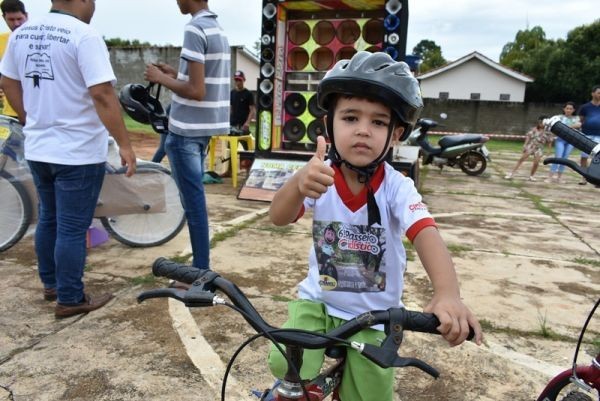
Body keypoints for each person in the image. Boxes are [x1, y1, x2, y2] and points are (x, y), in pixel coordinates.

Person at [267, 51, 482, 401]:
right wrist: (297, 184)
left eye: (379, 123)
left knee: (369, 396)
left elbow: (426, 234)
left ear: (396, 134)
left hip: (374, 316)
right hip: (317, 305)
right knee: (285, 363)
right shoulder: (319, 176)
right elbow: (277, 216)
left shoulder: (397, 187)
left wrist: (447, 294)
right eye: (350, 117)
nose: (363, 130)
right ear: (329, 126)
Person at [0, 0, 137, 318]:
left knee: (49, 218)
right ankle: (71, 297)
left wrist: (28, 117)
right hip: (77, 151)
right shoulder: (84, 35)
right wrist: (125, 145)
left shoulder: (22, 33)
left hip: (38, 148)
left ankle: (52, 285)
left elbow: (7, 81)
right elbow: (102, 94)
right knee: (73, 227)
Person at [143, 0, 229, 269]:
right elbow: (200, 81)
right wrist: (174, 73)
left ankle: (201, 271)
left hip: (185, 131)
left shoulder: (194, 29)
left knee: (193, 207)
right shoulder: (216, 28)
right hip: (202, 129)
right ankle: (201, 268)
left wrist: (159, 77)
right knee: (195, 204)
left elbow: (196, 90)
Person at [0, 0, 27, 118]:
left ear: (26, 15)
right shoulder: (1, 41)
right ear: (3, 18)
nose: (16, 23)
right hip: (10, 112)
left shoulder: (41, 39)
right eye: (11, 20)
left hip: (37, 112)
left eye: (19, 18)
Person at [504, 115, 553, 181]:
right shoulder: (534, 129)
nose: (541, 124)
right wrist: (525, 145)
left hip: (540, 148)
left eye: (543, 122)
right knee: (521, 159)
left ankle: (531, 176)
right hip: (531, 146)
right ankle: (511, 173)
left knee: (536, 163)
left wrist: (548, 151)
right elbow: (528, 137)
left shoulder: (548, 132)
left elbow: (549, 142)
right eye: (540, 122)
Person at [546, 101, 581, 183]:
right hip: (560, 140)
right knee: (558, 158)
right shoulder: (559, 117)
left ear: (573, 110)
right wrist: (570, 127)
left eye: (570, 109)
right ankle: (550, 177)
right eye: (567, 108)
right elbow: (553, 126)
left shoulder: (576, 118)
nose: (568, 110)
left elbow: (579, 125)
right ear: (564, 109)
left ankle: (559, 177)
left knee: (565, 159)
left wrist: (565, 127)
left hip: (571, 141)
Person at [577, 85, 600, 185]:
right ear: (593, 93)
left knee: (598, 158)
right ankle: (584, 177)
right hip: (586, 135)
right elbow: (581, 120)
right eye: (599, 92)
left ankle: (597, 178)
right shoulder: (585, 107)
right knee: (584, 157)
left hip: (599, 135)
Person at [230, 70, 255, 134]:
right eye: (236, 80)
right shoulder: (232, 93)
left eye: (240, 80)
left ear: (244, 80)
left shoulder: (248, 94)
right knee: (231, 143)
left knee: (244, 143)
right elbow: (231, 108)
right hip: (232, 124)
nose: (238, 82)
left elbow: (252, 110)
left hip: (243, 125)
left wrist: (247, 123)